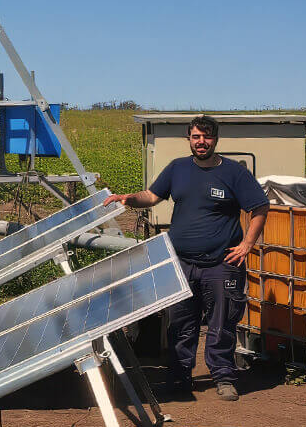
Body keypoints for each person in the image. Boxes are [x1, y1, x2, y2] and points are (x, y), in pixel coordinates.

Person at [109, 115, 268, 401]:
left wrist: (247, 244)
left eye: (206, 137)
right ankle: (180, 378)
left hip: (222, 263)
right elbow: (152, 196)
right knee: (181, 324)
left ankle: (223, 377)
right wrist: (128, 198)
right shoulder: (178, 169)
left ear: (215, 139)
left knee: (222, 324)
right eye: (196, 137)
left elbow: (259, 208)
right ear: (189, 139)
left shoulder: (234, 173)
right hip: (181, 262)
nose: (201, 142)